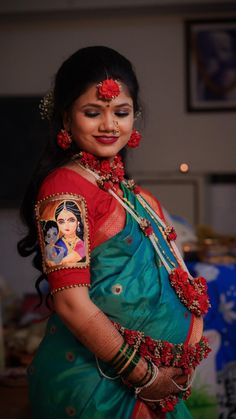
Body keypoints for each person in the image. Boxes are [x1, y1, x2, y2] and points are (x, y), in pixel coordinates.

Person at [18, 46, 211, 419]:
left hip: (149, 388)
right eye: (93, 113)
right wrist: (144, 375)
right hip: (102, 388)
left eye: (121, 112)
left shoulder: (121, 186)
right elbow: (71, 303)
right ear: (66, 119)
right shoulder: (64, 193)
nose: (110, 125)